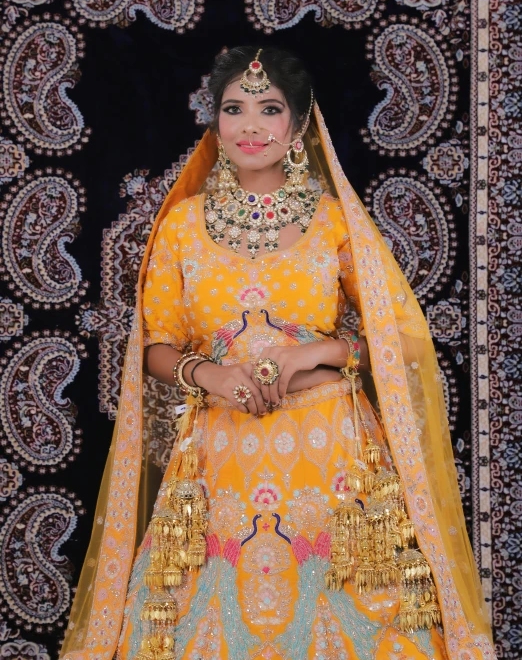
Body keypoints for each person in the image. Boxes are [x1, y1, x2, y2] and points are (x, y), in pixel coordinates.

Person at [60, 47, 495, 660]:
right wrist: (208, 372)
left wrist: (314, 353)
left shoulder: (332, 222)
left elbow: (399, 340)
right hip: (221, 451)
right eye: (234, 109)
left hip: (333, 452)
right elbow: (156, 347)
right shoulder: (181, 226)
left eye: (270, 109)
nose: (251, 125)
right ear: (216, 124)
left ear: (298, 124)